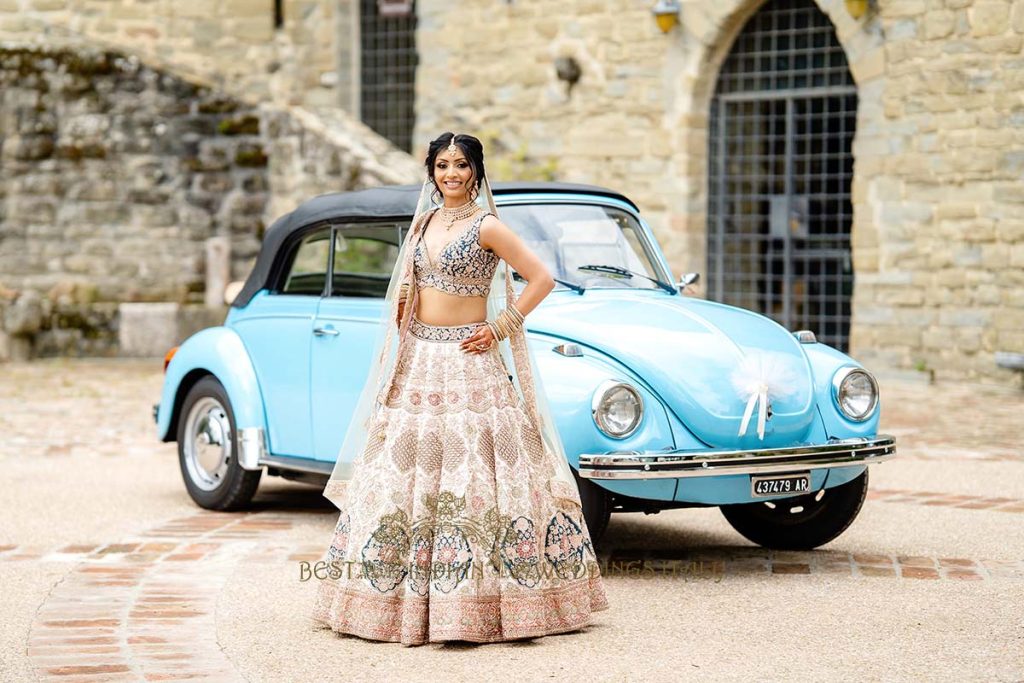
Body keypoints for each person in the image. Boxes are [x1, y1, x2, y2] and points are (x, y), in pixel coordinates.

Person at [311, 132, 609, 646]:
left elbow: (541, 279)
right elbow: (414, 284)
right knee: (405, 477)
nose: (451, 174)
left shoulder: (488, 225)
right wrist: (408, 301)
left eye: (461, 165)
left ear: (476, 171)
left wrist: (499, 327)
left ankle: (484, 606)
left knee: (472, 480)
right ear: (431, 170)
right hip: (419, 361)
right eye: (442, 164)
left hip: (469, 363)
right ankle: (387, 604)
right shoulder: (423, 222)